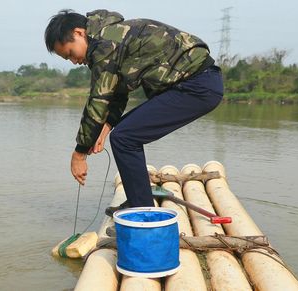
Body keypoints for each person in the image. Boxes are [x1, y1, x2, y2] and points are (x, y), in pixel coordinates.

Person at [44, 9, 223, 216]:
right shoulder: (111, 36)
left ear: (79, 33)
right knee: (122, 134)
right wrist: (107, 127)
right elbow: (117, 93)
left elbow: (98, 100)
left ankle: (142, 210)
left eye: (70, 54)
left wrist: (79, 154)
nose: (75, 61)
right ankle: (140, 202)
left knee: (125, 137)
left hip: (197, 85)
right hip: (198, 83)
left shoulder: (104, 44)